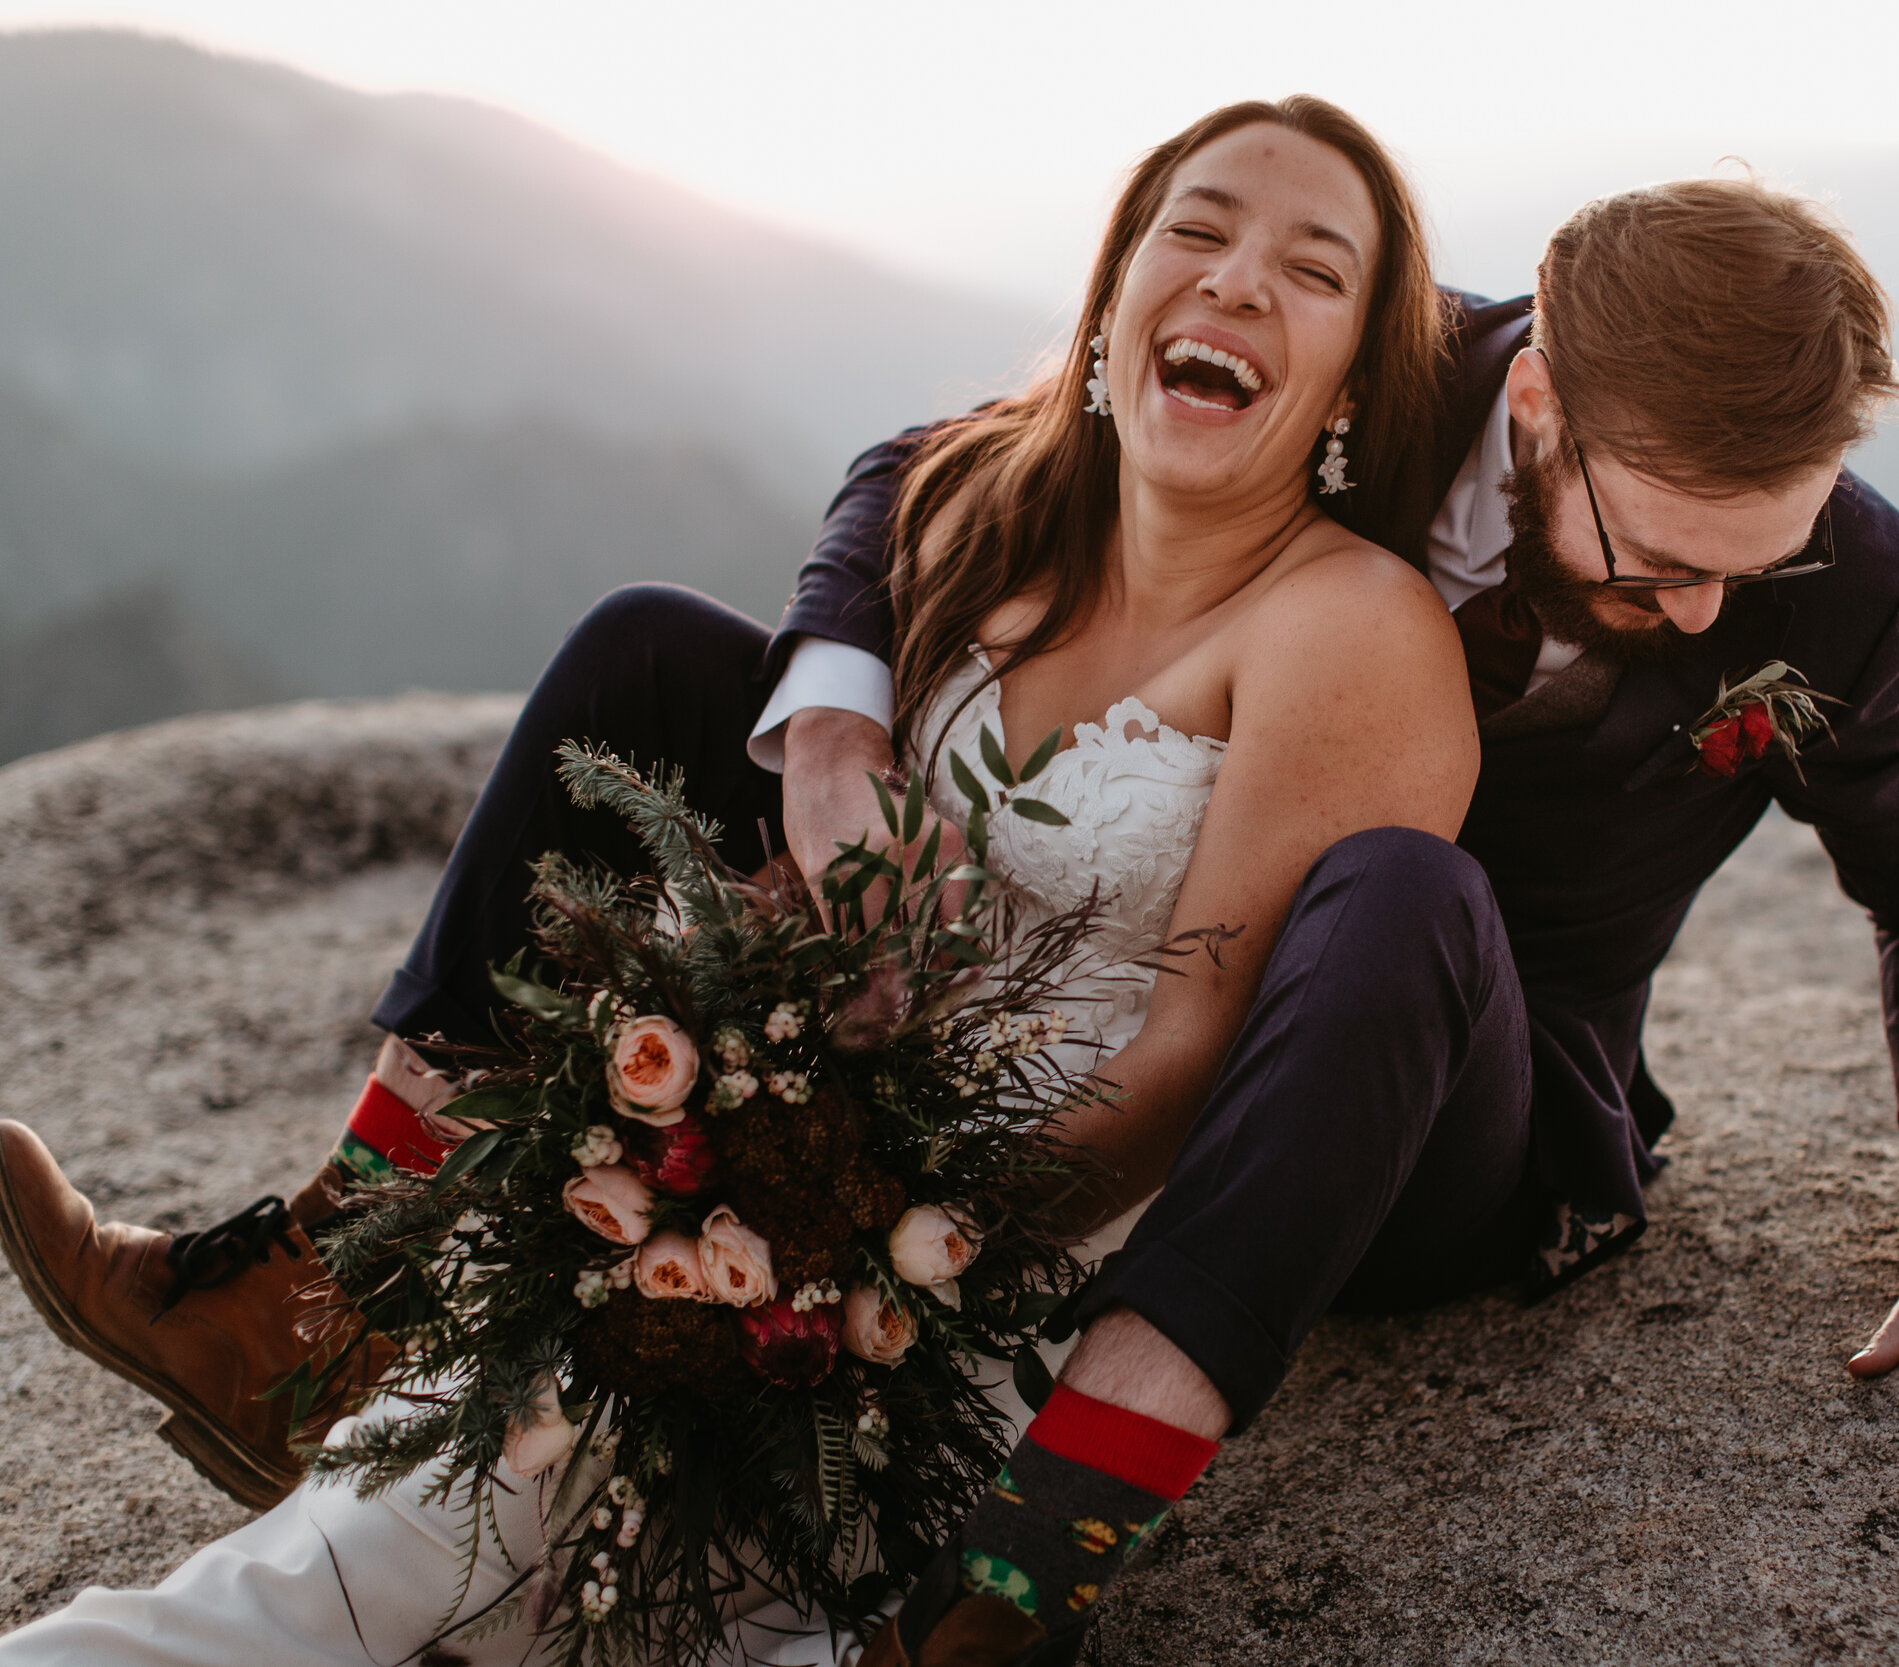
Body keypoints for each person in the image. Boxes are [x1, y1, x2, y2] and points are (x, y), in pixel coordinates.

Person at [0, 96, 1469, 1665]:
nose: (1238, 278)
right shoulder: (984, 504)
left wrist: (872, 1231)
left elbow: (1192, 1053)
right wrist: (712, 1131)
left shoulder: (1356, 634)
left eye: (1313, 270)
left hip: (1017, 1248)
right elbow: (875, 541)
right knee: (369, 1537)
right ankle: (318, 1305)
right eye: (1196, 228)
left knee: (674, 1578)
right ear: (1114, 293)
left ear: (1357, 380)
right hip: (788, 1171)